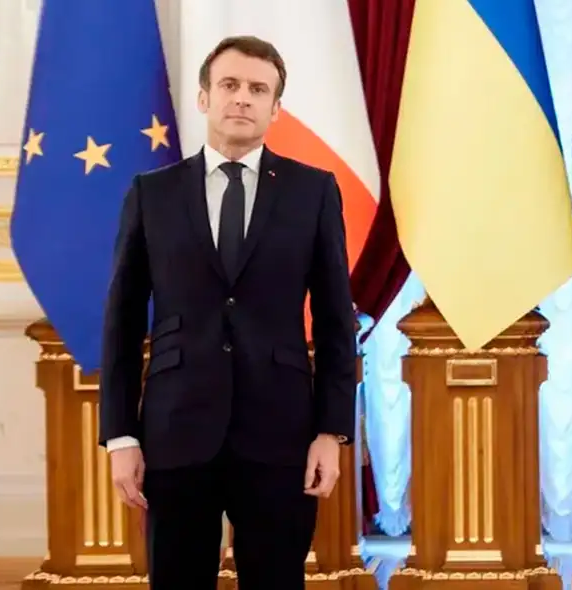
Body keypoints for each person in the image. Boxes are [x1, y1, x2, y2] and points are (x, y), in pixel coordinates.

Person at [97, 35, 357, 590]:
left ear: (275, 108)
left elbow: (337, 320)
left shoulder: (313, 192)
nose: (242, 98)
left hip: (281, 433)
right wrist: (121, 437)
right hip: (175, 432)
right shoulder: (152, 193)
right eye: (230, 85)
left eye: (258, 90)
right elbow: (121, 322)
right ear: (204, 97)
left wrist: (331, 432)